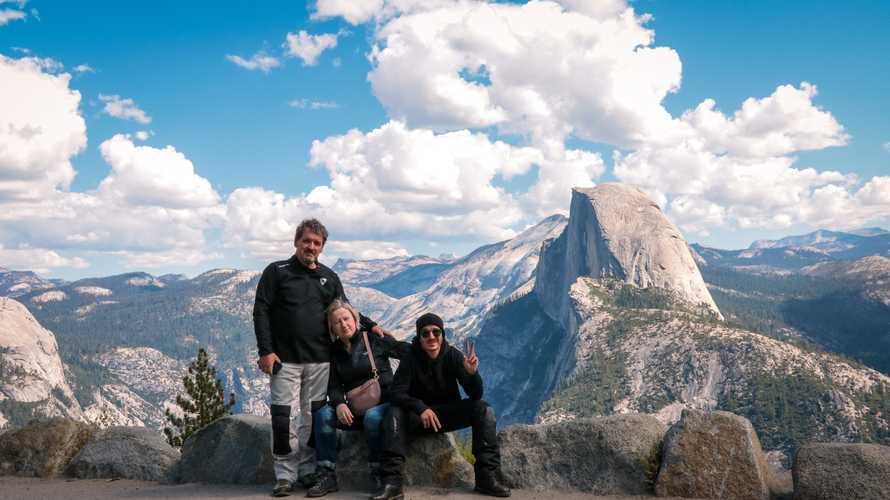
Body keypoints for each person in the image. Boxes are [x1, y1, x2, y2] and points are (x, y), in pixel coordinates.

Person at [253, 218, 385, 498]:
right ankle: (284, 475)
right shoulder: (277, 272)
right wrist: (265, 350)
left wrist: (371, 326)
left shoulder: (328, 277)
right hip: (283, 360)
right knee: (281, 418)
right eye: (306, 241)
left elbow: (345, 309)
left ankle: (306, 470)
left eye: (316, 243)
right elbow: (261, 310)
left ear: (322, 247)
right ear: (296, 242)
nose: (311, 247)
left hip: (320, 360)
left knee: (311, 420)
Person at [376, 313, 511, 500]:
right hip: (418, 416)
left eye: (436, 332)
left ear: (442, 334)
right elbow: (396, 393)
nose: (431, 337)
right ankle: (392, 484)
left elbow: (475, 395)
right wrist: (420, 408)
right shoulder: (410, 357)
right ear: (419, 337)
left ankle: (486, 478)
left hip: (446, 414)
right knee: (393, 412)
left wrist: (472, 374)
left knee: (484, 409)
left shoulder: (453, 355)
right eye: (425, 333)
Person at [307, 299, 411, 497]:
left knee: (373, 417)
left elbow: (406, 352)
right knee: (323, 414)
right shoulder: (335, 351)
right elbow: (334, 384)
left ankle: (378, 470)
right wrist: (338, 404)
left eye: (346, 319)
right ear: (332, 327)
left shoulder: (373, 340)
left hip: (384, 402)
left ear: (355, 319)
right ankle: (326, 474)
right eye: (337, 322)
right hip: (355, 407)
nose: (343, 325)